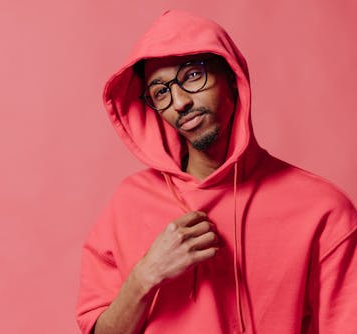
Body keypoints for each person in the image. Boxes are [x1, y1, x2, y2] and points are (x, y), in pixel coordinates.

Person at [76, 10, 356, 333]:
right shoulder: (128, 205)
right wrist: (145, 275)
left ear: (232, 78)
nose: (179, 102)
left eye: (192, 75)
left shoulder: (323, 211)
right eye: (161, 92)